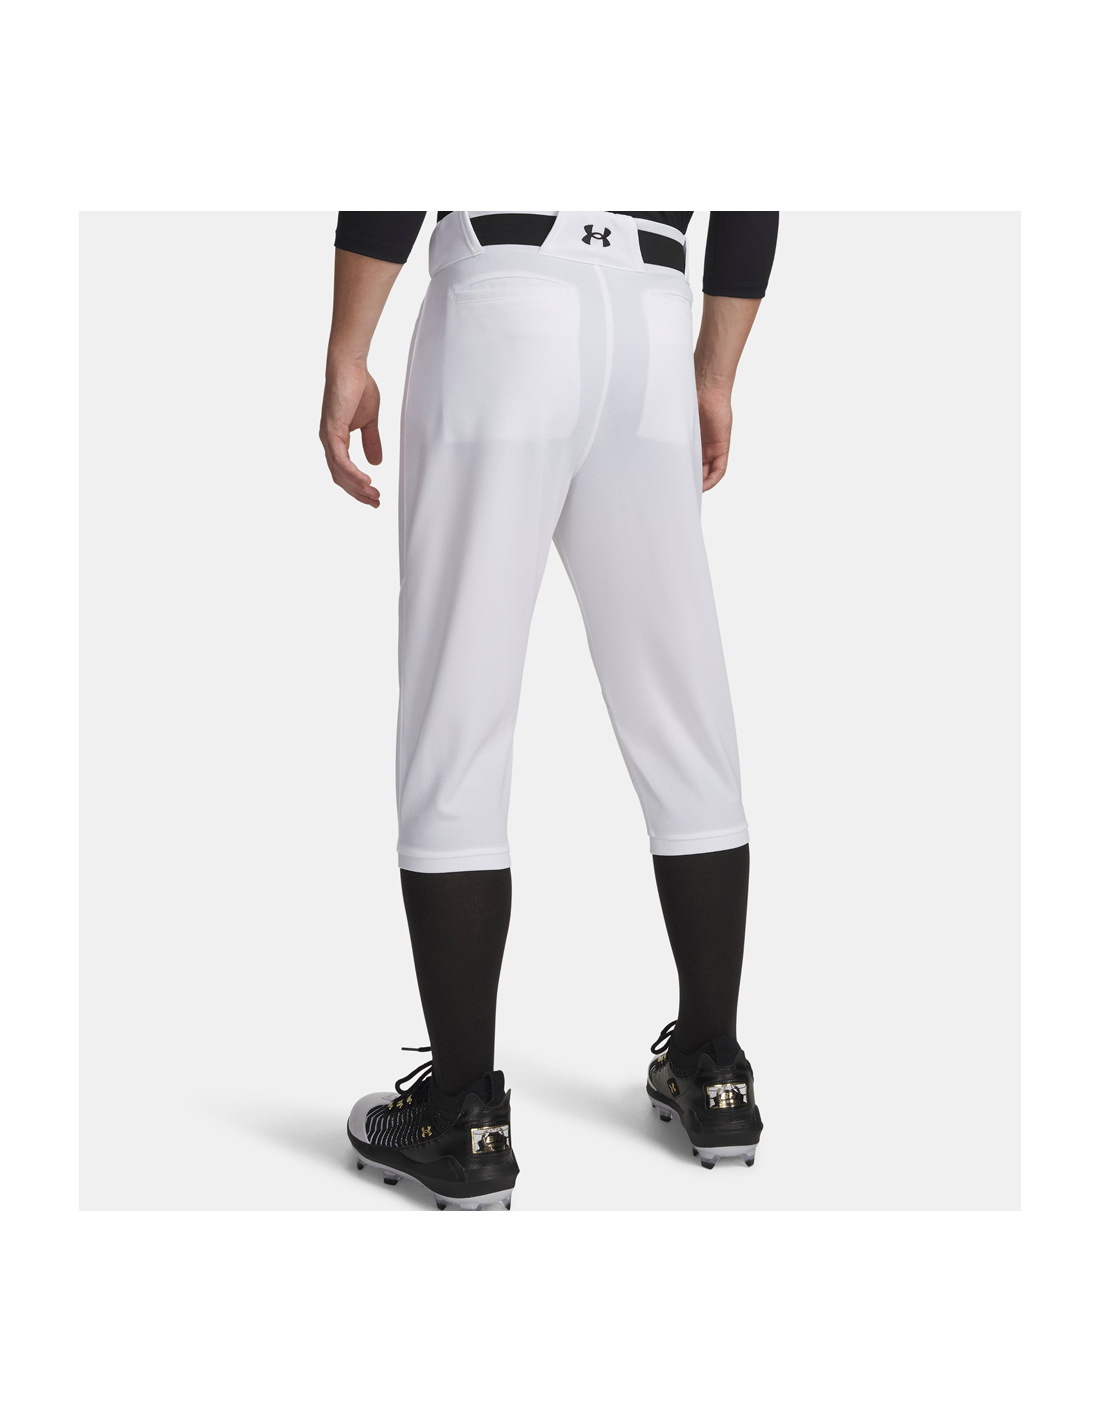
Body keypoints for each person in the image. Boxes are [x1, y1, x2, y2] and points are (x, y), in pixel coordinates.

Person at [321, 211, 778, 1209]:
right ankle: (714, 1070)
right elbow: (753, 195)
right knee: (683, 716)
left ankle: (463, 1117)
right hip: (651, 315)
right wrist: (712, 374)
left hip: (504, 298)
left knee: (458, 711)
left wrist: (348, 348)